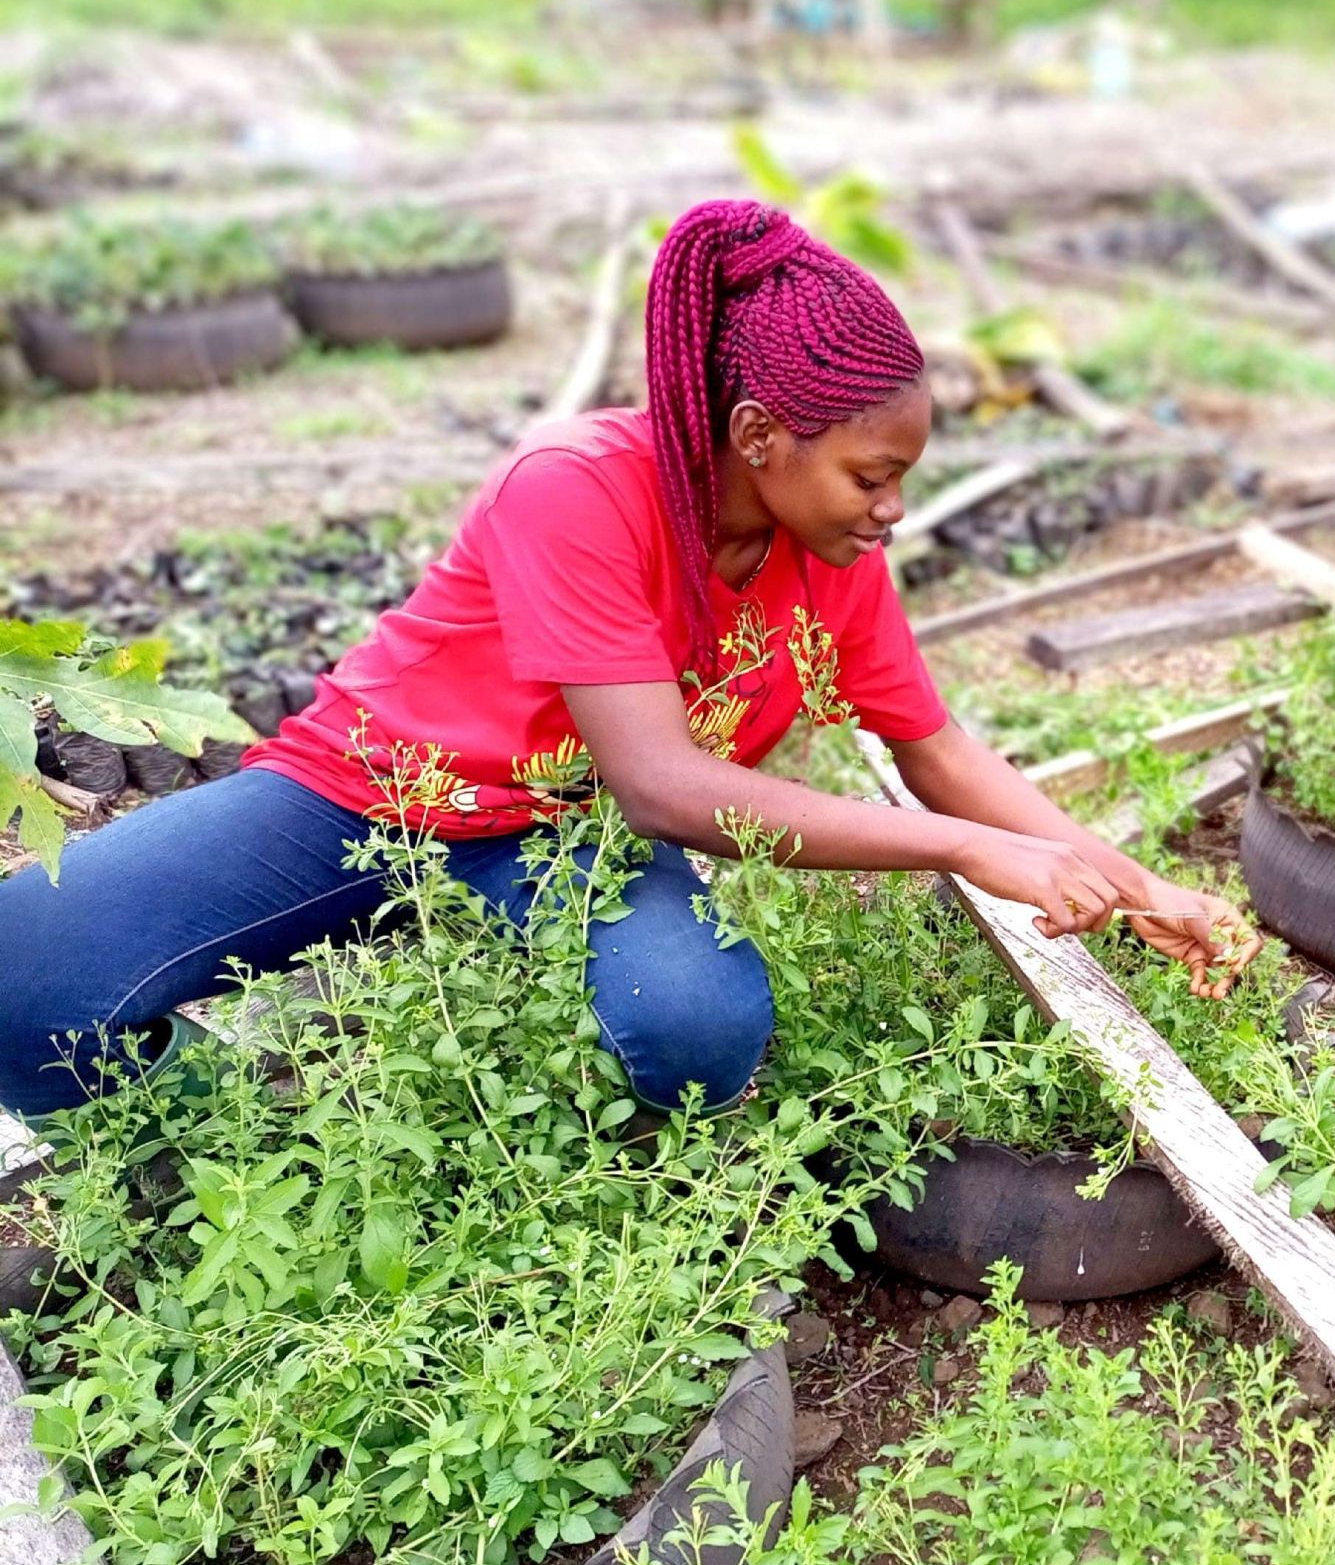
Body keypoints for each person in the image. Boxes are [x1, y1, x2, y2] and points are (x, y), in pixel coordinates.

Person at [0, 200, 1258, 1120]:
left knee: (695, 1027)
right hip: (371, 799)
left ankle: (495, 1087)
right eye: (873, 477)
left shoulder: (835, 558)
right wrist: (969, 852)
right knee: (22, 975)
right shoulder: (578, 491)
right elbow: (663, 780)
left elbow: (938, 750)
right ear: (760, 435)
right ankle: (221, 1143)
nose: (892, 511)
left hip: (565, 837)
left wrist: (1144, 892)